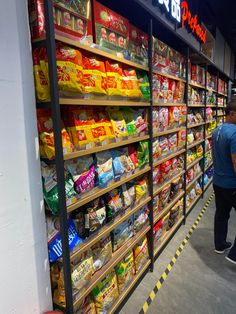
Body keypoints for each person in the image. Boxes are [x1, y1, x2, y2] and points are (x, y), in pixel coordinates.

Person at [212, 99, 236, 264]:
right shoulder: (235, 133)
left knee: (221, 214)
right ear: (232, 114)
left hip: (218, 181)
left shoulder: (216, 130)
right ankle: (234, 255)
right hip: (232, 184)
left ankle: (219, 245)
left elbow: (214, 156)